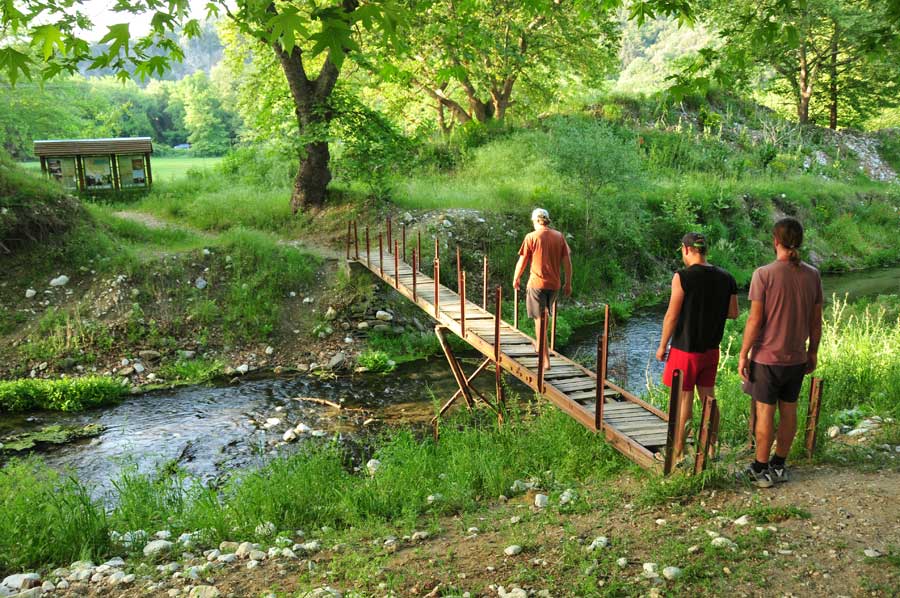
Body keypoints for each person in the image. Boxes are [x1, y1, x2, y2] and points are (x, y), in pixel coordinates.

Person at [739, 217, 822, 488]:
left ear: (775, 241)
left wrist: (743, 353)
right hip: (796, 358)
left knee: (765, 413)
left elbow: (754, 320)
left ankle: (760, 469)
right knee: (789, 411)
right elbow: (816, 321)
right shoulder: (813, 275)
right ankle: (779, 465)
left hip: (766, 359)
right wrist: (813, 352)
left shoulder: (763, 274)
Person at [656, 232, 738, 463]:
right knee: (709, 399)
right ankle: (711, 449)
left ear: (686, 249)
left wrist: (662, 346)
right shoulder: (727, 277)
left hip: (685, 348)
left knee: (683, 400)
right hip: (711, 349)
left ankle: (678, 453)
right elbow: (733, 312)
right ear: (705, 250)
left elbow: (672, 315)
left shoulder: (682, 277)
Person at [513, 208, 572, 369]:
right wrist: (568, 283)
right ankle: (540, 346)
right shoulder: (559, 236)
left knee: (539, 320)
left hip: (537, 285)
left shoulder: (531, 237)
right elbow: (567, 262)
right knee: (543, 317)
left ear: (535, 221)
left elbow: (523, 261)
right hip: (554, 286)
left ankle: (545, 360)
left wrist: (516, 277)